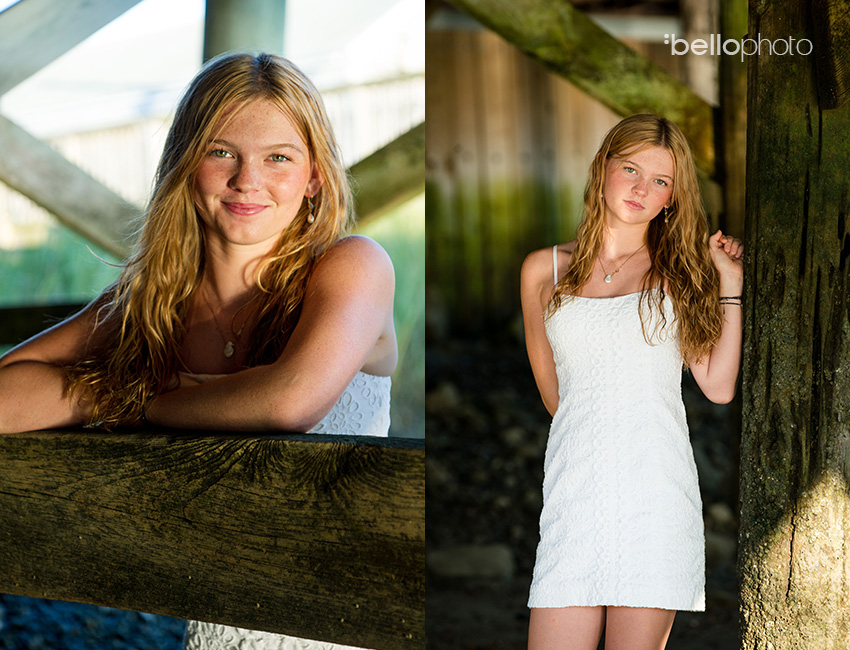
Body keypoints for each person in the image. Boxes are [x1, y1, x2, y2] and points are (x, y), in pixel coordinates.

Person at [0, 52, 396, 649]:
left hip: (344, 618)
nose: (247, 180)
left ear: (315, 177)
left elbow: (291, 402)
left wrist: (147, 405)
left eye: (279, 158)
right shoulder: (154, 302)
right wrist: (111, 394)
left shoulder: (352, 266)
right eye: (221, 152)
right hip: (220, 624)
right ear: (185, 165)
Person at [519, 113, 743, 650]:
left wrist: (730, 283)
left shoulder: (679, 274)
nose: (642, 189)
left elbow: (717, 386)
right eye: (631, 170)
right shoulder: (543, 271)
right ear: (603, 167)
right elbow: (555, 396)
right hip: (575, 497)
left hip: (655, 499)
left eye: (660, 181)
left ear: (672, 198)